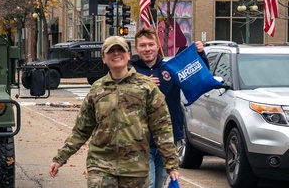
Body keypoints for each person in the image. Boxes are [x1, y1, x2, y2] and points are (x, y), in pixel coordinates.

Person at [49, 36, 180, 187]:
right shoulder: (97, 89)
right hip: (101, 167)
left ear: (129, 55)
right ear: (103, 58)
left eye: (121, 50)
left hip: (135, 168)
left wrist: (171, 164)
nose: (116, 54)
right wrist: (60, 158)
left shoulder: (146, 87)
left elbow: (162, 128)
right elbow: (81, 130)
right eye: (111, 51)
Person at [131, 26, 208, 188]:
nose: (147, 49)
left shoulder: (170, 68)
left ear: (157, 46)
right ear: (136, 47)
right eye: (143, 45)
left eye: (151, 44)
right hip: (141, 139)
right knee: (148, 184)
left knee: (159, 183)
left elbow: (199, 76)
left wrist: (200, 53)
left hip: (169, 138)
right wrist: (142, 85)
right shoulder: (130, 71)